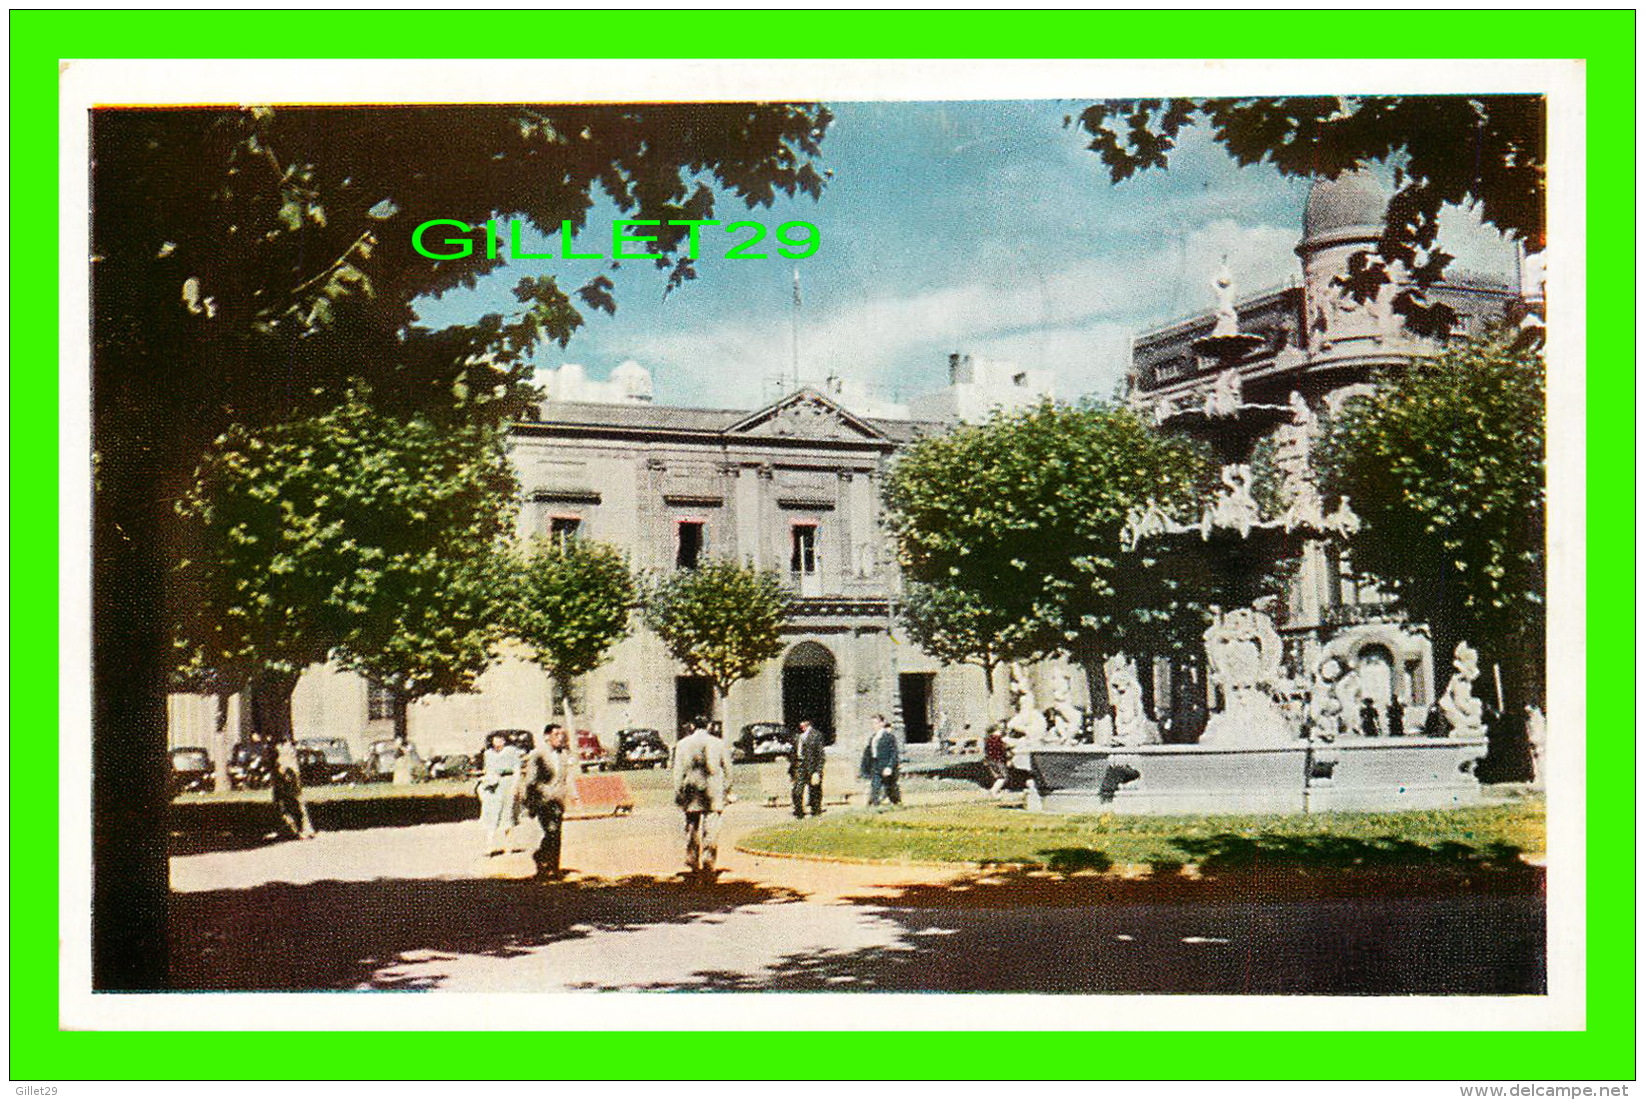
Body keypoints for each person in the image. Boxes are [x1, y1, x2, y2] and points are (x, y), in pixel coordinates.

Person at [671, 717, 733, 876]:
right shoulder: (719, 743)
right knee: (711, 829)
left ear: (692, 726)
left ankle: (692, 859)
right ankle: (708, 860)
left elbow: (678, 771)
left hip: (692, 790)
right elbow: (728, 770)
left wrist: (679, 791)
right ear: (709, 726)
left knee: (692, 827)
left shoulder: (682, 744)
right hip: (713, 791)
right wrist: (725, 790)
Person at [521, 724, 575, 879]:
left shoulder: (564, 754)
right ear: (546, 737)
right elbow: (531, 780)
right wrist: (530, 802)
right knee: (551, 831)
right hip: (543, 801)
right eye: (556, 734)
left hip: (558, 801)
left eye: (562, 734)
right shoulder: (538, 755)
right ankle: (541, 860)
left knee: (556, 834)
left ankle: (553, 868)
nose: (560, 737)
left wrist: (572, 794)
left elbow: (568, 776)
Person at [478, 731, 524, 855]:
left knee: (507, 814)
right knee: (491, 815)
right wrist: (485, 782)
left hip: (507, 784)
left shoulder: (512, 751)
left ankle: (508, 847)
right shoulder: (488, 754)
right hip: (493, 786)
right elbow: (487, 770)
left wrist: (515, 786)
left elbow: (517, 770)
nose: (498, 742)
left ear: (504, 740)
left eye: (500, 739)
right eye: (495, 739)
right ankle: (489, 847)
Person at [270, 738, 316, 840]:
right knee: (283, 801)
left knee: (294, 800)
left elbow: (284, 766)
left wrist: (285, 773)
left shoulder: (283, 747)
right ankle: (291, 828)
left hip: (287, 773)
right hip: (285, 772)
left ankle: (303, 829)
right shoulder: (282, 746)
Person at [860, 714, 902, 807]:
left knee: (890, 787)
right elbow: (868, 753)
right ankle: (875, 805)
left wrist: (890, 767)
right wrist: (865, 767)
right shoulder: (873, 738)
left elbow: (894, 753)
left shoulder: (889, 737)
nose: (874, 725)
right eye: (873, 723)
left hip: (885, 766)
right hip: (875, 766)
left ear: (882, 723)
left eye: (876, 723)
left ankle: (896, 802)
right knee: (875, 787)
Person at [789, 718, 826, 818]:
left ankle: (816, 812)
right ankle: (799, 813)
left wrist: (818, 771)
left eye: (803, 723)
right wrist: (791, 770)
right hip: (799, 767)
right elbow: (793, 754)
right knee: (797, 791)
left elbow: (821, 755)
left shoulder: (816, 735)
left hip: (812, 767)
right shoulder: (797, 736)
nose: (801, 725)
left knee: (814, 791)